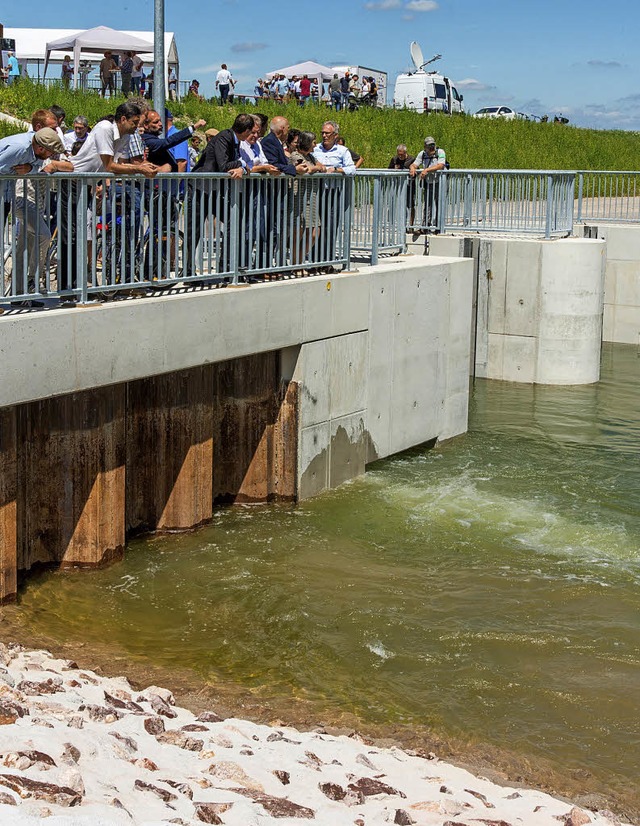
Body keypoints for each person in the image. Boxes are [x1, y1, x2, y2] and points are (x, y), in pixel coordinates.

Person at [61, 102, 157, 297]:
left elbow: (121, 164)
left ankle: (81, 285)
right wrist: (139, 169)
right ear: (123, 119)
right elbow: (109, 165)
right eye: (134, 122)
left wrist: (147, 166)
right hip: (72, 182)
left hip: (87, 185)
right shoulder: (105, 128)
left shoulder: (125, 135)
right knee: (71, 236)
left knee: (83, 235)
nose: (137, 127)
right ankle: (68, 287)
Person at [185, 113, 254, 279]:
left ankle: (226, 267)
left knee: (233, 222)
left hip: (215, 190)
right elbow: (223, 165)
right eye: (251, 131)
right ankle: (187, 271)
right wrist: (244, 164)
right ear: (245, 131)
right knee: (193, 230)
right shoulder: (225, 137)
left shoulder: (233, 140)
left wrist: (243, 168)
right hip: (201, 189)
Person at [409, 136, 447, 230]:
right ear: (425, 146)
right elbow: (414, 164)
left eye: (433, 145)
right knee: (427, 204)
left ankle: (439, 227)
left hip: (440, 182)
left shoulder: (440, 152)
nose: (431, 148)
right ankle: (425, 226)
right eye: (429, 146)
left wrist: (426, 170)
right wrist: (412, 168)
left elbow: (441, 165)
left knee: (439, 204)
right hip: (429, 183)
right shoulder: (422, 154)